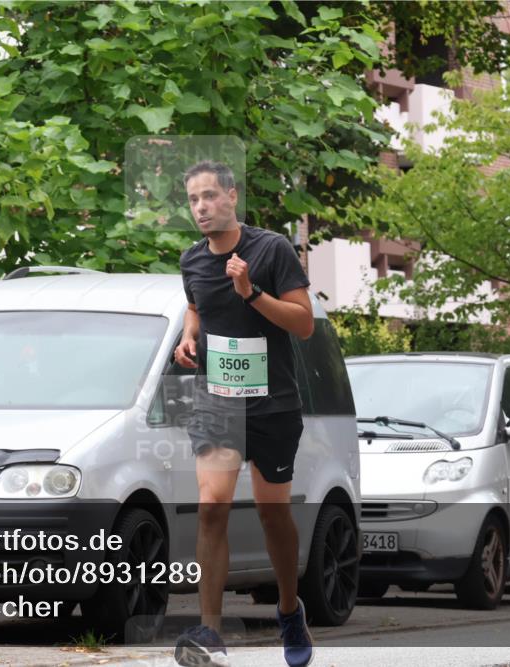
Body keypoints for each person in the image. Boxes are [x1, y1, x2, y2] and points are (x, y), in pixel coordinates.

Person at [172, 161, 315, 667]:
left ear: (232, 197)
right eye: (194, 200)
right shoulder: (191, 259)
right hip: (216, 401)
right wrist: (189, 336)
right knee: (212, 506)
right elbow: (196, 305)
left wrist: (251, 292)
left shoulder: (271, 249)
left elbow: (304, 325)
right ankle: (210, 632)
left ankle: (288, 608)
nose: (202, 207)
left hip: (272, 405)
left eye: (211, 196)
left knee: (273, 514)